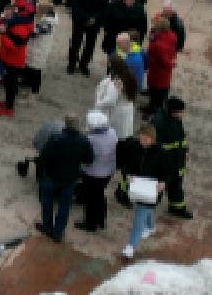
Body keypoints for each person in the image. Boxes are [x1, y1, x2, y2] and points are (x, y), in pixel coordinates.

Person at [117, 123, 168, 260]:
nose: (143, 141)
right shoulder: (132, 147)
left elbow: (168, 172)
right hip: (136, 187)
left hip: (152, 189)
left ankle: (130, 246)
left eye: (146, 139)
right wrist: (127, 174)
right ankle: (151, 227)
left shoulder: (161, 153)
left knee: (139, 216)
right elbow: (124, 163)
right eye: (141, 137)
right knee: (147, 209)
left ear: (153, 139)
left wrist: (163, 183)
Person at [33, 116, 88, 242]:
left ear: (65, 124)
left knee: (47, 201)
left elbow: (43, 156)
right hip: (70, 178)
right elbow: (89, 158)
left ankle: (47, 227)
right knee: (65, 204)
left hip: (52, 175)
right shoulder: (83, 141)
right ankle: (58, 232)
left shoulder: (56, 139)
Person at [77, 110, 118, 231]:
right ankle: (101, 219)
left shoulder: (90, 139)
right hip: (108, 171)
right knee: (100, 194)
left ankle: (90, 224)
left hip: (92, 173)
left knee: (90, 199)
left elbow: (86, 157)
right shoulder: (112, 132)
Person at [153, 96, 193, 220]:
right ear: (173, 111)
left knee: (176, 186)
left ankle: (177, 207)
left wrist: (185, 150)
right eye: (180, 111)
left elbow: (182, 136)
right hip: (165, 161)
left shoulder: (175, 119)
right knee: (159, 185)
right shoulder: (158, 122)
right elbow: (155, 144)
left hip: (176, 160)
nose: (182, 114)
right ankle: (147, 208)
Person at [143, 18, 179, 116]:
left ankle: (153, 112)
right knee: (160, 93)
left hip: (158, 73)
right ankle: (152, 108)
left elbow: (165, 61)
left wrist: (171, 64)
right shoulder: (172, 36)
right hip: (164, 75)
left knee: (155, 94)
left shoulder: (159, 45)